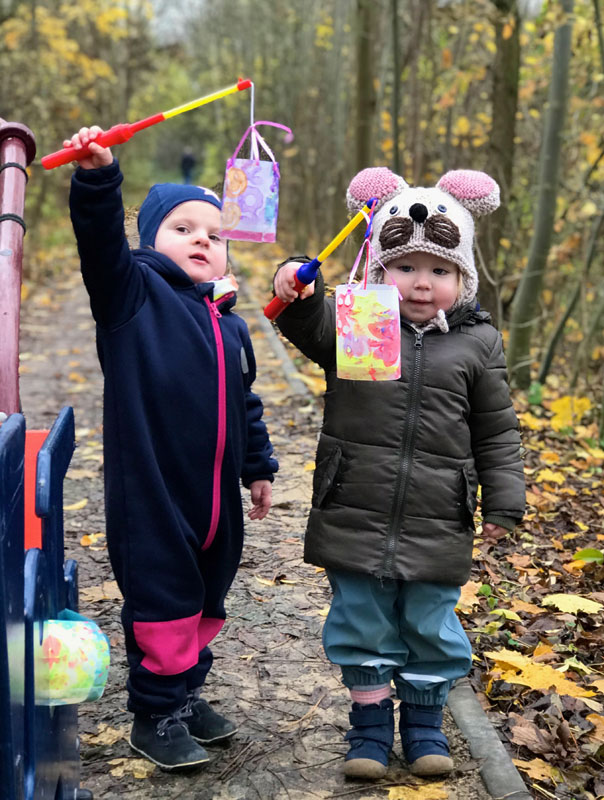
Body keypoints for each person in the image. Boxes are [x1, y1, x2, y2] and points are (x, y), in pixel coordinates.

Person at [272, 166, 525, 780]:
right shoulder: (358, 324)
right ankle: (368, 730)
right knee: (360, 617)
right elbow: (303, 324)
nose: (421, 283)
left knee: (430, 621)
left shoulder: (479, 344)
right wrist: (299, 281)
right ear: (380, 267)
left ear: (462, 277)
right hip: (353, 502)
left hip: (440, 514)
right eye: (406, 267)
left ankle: (423, 724)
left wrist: (504, 502)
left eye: (440, 271)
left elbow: (496, 428)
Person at [66, 126, 278, 771]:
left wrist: (258, 466)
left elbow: (244, 401)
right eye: (183, 228)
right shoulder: (132, 298)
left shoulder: (230, 323)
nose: (201, 241)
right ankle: (154, 713)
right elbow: (100, 247)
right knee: (163, 601)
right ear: (149, 239)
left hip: (214, 495)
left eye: (214, 236)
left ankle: (184, 692)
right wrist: (99, 179)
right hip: (154, 491)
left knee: (208, 595)